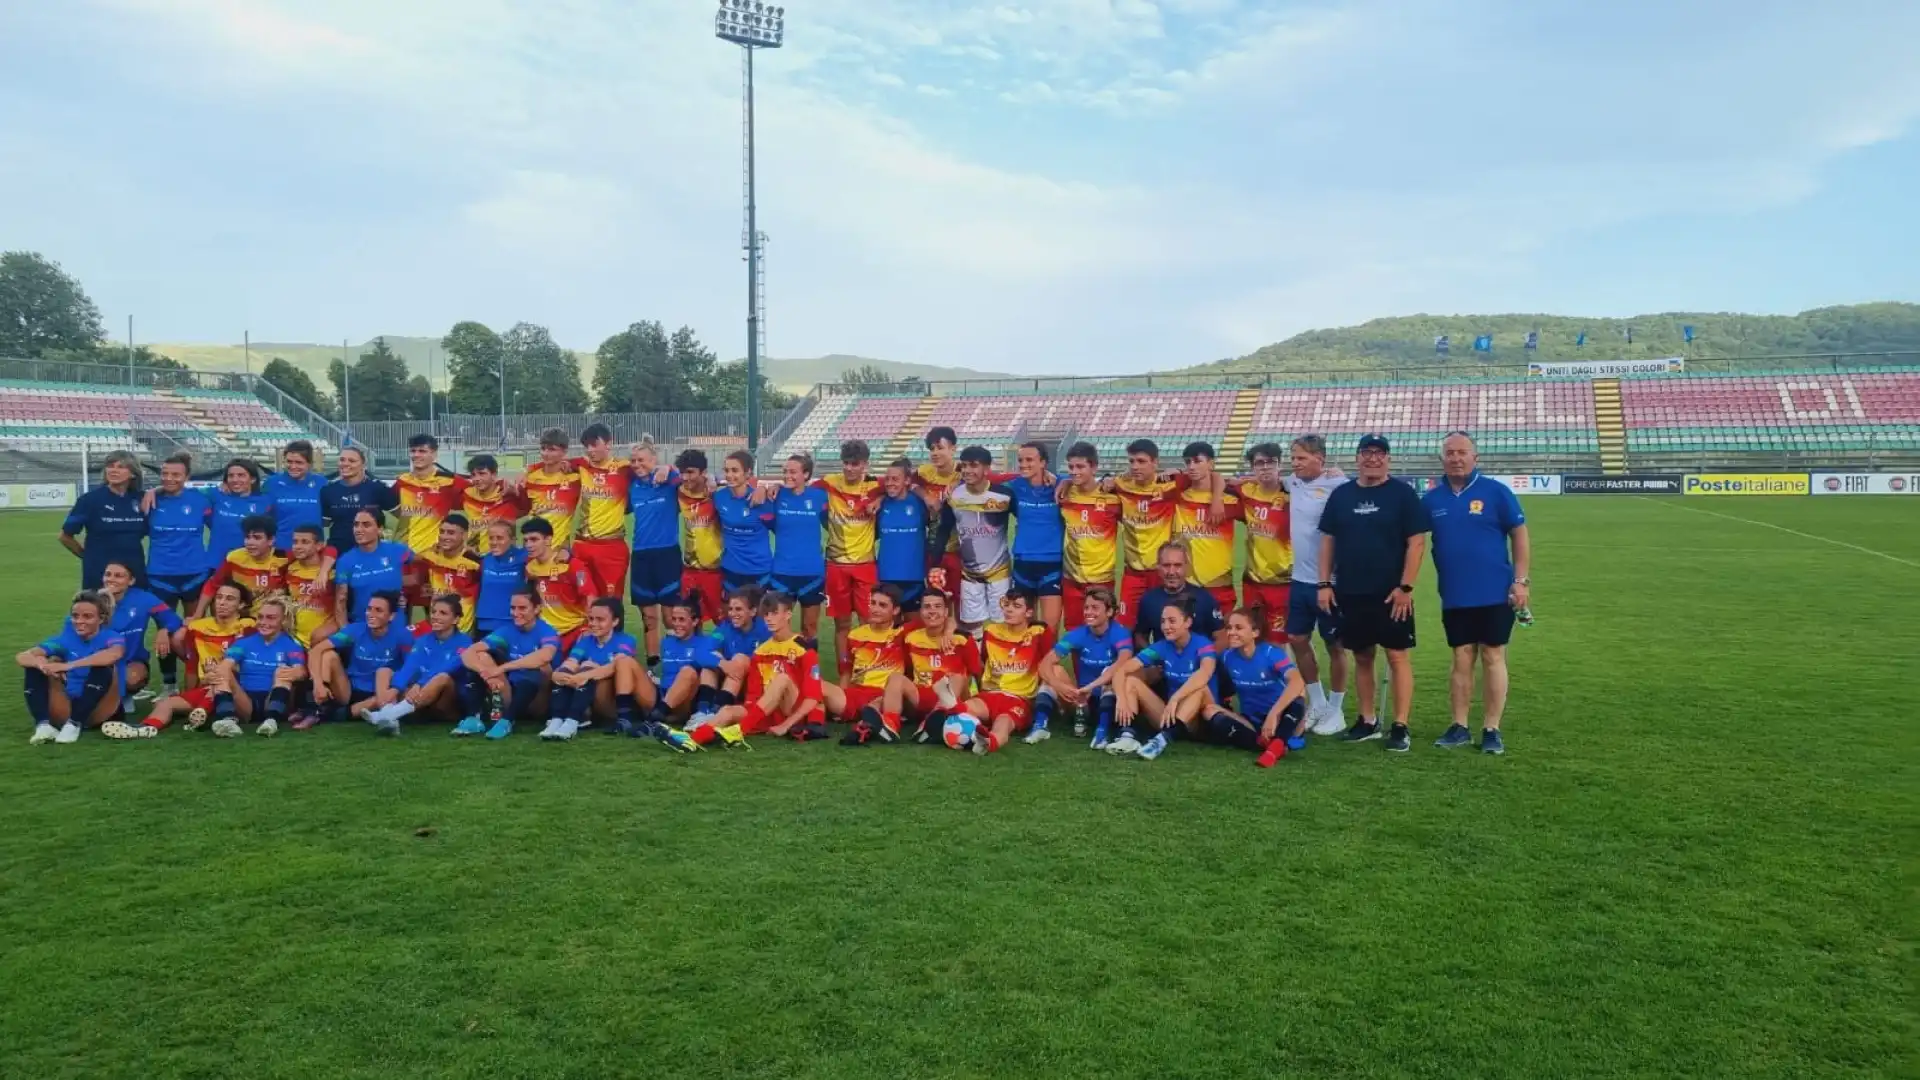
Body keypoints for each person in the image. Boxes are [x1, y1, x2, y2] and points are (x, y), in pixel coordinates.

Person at [1317, 434, 1430, 753]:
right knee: (1362, 655)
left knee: (1397, 656)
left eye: (1379, 453)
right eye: (1366, 452)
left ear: (1388, 459)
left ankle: (1400, 725)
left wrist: (1406, 587)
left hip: (1392, 593)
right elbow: (1328, 541)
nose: (1372, 458)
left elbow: (1417, 542)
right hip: (1350, 591)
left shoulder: (1403, 495)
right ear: (1358, 457)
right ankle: (1367, 720)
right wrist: (1324, 584)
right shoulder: (1342, 495)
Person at [1423, 432, 1529, 756]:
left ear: (1475, 457)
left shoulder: (1496, 492)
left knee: (1493, 654)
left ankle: (1491, 728)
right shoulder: (1432, 499)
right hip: (1455, 593)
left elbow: (1519, 534)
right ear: (1442, 459)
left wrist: (1521, 580)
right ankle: (1459, 726)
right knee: (1461, 656)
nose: (1456, 458)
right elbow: (1409, 537)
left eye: (1462, 452)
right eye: (1450, 453)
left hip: (1495, 591)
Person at [1281, 435, 1351, 735]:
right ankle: (1318, 703)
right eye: (1293, 458)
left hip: (1331, 583)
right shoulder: (1293, 483)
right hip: (1300, 579)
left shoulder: (1340, 486)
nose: (1295, 463)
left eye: (1302, 458)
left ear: (1320, 459)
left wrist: (1343, 474)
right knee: (1297, 638)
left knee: (1335, 645)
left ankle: (1337, 710)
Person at [691, 591, 822, 744]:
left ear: (787, 615)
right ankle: (693, 739)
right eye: (766, 614)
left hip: (794, 711)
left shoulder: (804, 648)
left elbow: (813, 697)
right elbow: (753, 697)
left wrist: (786, 725)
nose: (769, 619)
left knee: (782, 678)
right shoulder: (760, 651)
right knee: (727, 711)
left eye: (774, 613)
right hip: (767, 711)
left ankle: (739, 730)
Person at [1108, 595, 1218, 760]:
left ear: (1187, 622)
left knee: (1200, 689)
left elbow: (1205, 673)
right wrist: (1122, 698)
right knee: (1131, 681)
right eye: (1163, 621)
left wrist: (1175, 698)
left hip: (1199, 720)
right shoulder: (1162, 646)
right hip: (1170, 715)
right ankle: (1127, 736)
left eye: (1172, 621)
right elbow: (1122, 670)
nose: (1166, 626)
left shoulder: (1203, 644)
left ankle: (1161, 741)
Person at [135, 581, 253, 734]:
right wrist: (189, 692)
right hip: (205, 687)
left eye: (230, 599)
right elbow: (192, 664)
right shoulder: (198, 627)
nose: (222, 603)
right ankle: (145, 728)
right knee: (164, 704)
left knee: (220, 678)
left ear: (241, 605)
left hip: (237, 691)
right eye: (219, 597)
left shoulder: (249, 627)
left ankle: (203, 710)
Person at [20, 589, 126, 744]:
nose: (79, 621)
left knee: (104, 667)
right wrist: (42, 665)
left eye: (87, 616)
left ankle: (74, 724)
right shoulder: (65, 640)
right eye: (75, 616)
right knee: (33, 666)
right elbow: (23, 656)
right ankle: (43, 726)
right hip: (69, 703)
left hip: (103, 706)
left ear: (101, 619)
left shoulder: (112, 637)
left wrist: (67, 666)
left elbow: (114, 654)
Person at [955, 588, 1054, 754]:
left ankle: (989, 742)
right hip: (989, 695)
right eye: (1006, 604)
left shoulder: (1038, 632)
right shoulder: (991, 631)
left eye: (1016, 606)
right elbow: (984, 662)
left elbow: (1048, 662)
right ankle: (937, 728)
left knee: (1004, 723)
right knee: (961, 710)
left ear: (1029, 612)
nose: (1009, 609)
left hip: (1018, 699)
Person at [144, 451, 211, 697]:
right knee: (166, 631)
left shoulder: (201, 500)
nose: (169, 478)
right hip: (161, 576)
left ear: (187, 476)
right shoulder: (150, 500)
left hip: (195, 574)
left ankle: (202, 677)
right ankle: (169, 685)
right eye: (165, 473)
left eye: (176, 474)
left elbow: (220, 526)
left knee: (195, 630)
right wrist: (151, 491)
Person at [1210, 609, 1310, 769]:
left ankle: (1277, 744)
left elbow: (1298, 680)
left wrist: (1274, 714)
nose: (1231, 632)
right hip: (1252, 721)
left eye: (1238, 628)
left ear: (1255, 632)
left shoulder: (1271, 653)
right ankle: (1269, 744)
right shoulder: (1227, 657)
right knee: (1211, 712)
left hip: (1281, 718)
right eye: (1229, 628)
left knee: (1299, 693)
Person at [816, 440, 881, 680]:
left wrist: (880, 499)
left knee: (868, 622)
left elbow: (905, 482)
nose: (849, 469)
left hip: (865, 566)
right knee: (842, 625)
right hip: (836, 566)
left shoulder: (876, 486)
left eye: (855, 464)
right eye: (846, 463)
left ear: (865, 464)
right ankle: (845, 674)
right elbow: (797, 484)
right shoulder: (829, 483)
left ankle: (865, 674)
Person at [459, 587, 561, 740]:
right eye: (513, 608)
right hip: (511, 692)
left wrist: (501, 668)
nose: (515, 613)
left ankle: (508, 720)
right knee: (481, 656)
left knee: (539, 666)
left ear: (537, 609)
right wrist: (485, 672)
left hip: (539, 699)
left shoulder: (546, 631)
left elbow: (545, 656)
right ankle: (473, 718)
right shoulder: (507, 630)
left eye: (522, 608)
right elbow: (468, 653)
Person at [544, 597, 649, 741]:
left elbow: (614, 667)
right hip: (588, 697)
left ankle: (573, 720)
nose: (593, 624)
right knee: (568, 671)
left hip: (611, 701)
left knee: (588, 666)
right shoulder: (586, 640)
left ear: (615, 622)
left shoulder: (626, 640)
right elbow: (571, 661)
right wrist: (559, 674)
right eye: (591, 619)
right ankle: (557, 720)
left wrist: (584, 675)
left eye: (600, 619)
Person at [1040, 584, 1132, 748]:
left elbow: (1122, 663)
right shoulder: (1078, 634)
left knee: (1113, 676)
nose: (1089, 612)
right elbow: (1044, 664)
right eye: (1087, 607)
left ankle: (1101, 733)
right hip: (1082, 699)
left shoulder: (1120, 633)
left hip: (1110, 698)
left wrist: (1091, 686)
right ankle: (1039, 726)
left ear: (1109, 612)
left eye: (1095, 608)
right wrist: (1059, 685)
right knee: (1055, 670)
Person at [938, 445, 1015, 639]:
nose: (967, 470)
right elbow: (943, 530)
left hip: (1000, 572)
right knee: (972, 626)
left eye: (973, 465)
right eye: (963, 465)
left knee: (1003, 623)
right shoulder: (953, 496)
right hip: (970, 573)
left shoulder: (1004, 495)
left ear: (986, 469)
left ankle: (1000, 664)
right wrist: (935, 563)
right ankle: (978, 668)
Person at [368, 594, 473, 732]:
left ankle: (387, 715)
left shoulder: (465, 642)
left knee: (442, 677)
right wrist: (395, 688)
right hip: (422, 698)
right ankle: (388, 716)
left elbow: (447, 668)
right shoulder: (423, 640)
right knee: (383, 671)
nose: (435, 616)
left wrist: (420, 683)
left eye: (443, 613)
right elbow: (410, 665)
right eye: (433, 612)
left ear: (456, 619)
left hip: (447, 704)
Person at [308, 591, 411, 729]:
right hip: (351, 690)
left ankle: (337, 713)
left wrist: (396, 690)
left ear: (391, 616)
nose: (371, 614)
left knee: (385, 672)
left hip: (382, 692)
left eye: (378, 610)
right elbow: (316, 650)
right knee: (328, 655)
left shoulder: (402, 635)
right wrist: (318, 684)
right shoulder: (356, 630)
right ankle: (318, 705)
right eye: (369, 609)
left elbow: (410, 667)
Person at [209, 595, 307, 738]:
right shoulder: (243, 643)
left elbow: (301, 671)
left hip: (274, 696)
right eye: (260, 617)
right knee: (223, 672)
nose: (263, 622)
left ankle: (272, 720)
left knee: (283, 671)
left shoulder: (291, 645)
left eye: (270, 618)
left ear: (283, 620)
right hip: (246, 701)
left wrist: (295, 672)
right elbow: (226, 664)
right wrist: (215, 673)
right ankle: (228, 721)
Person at [1112, 438, 1187, 624]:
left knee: (1166, 625)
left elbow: (1210, 477)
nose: (1135, 466)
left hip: (1161, 572)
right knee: (1125, 626)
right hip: (1132, 573)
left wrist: (1179, 472)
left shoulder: (1170, 485)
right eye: (1131, 461)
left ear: (1155, 462)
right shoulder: (1121, 485)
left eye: (1141, 461)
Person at [891, 591, 980, 744]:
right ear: (921, 612)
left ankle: (930, 723)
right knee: (895, 678)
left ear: (946, 612)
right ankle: (888, 726)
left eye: (937, 606)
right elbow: (908, 670)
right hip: (922, 695)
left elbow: (978, 673)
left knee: (957, 677)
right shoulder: (910, 636)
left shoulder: (962, 639)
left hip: (954, 698)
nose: (932, 611)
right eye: (927, 607)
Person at [626, 439, 684, 665]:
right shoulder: (632, 486)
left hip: (667, 554)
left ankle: (678, 658)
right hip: (641, 556)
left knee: (671, 616)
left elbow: (688, 476)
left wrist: (669, 468)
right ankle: (653, 665)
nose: (637, 464)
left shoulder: (668, 481)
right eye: (633, 460)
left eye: (642, 460)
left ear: (654, 460)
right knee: (649, 617)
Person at [94, 559, 182, 702]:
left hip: (131, 661)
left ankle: (122, 696)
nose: (111, 579)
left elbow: (173, 619)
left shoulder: (144, 599)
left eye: (119, 576)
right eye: (108, 574)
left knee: (132, 679)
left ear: (131, 581)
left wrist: (164, 630)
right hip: (98, 661)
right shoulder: (93, 600)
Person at [830, 585, 908, 744]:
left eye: (882, 605)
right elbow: (846, 671)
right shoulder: (855, 635)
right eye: (872, 603)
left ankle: (863, 728)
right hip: (856, 694)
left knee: (876, 704)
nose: (875, 609)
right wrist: (842, 695)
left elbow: (943, 621)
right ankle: (811, 725)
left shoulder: (903, 635)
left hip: (883, 696)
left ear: (896, 610)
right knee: (817, 688)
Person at [1057, 441, 1123, 632]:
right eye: (1071, 467)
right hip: (1072, 578)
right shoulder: (1065, 495)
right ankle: (1080, 664)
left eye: (1080, 466)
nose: (1074, 471)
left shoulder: (1112, 497)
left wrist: (1111, 479)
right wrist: (1065, 481)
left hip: (1101, 579)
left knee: (1102, 629)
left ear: (1094, 467)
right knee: (1074, 630)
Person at [1002, 441, 1066, 630]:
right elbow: (988, 479)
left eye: (1029, 459)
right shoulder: (1014, 487)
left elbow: (1083, 480)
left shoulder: (1059, 486)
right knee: (1023, 625)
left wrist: (1063, 480)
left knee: (1049, 627)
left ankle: (1047, 660)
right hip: (1023, 563)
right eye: (1020, 460)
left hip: (1051, 564)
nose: (1023, 464)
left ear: (1043, 462)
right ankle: (1028, 661)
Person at [61, 449, 147, 589]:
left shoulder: (142, 499)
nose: (113, 470)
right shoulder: (89, 500)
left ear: (133, 473)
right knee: (100, 610)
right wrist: (87, 556)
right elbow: (65, 536)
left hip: (134, 572)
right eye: (110, 466)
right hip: (99, 574)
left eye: (120, 467)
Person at [769, 453, 831, 645]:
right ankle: (777, 670)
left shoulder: (819, 497)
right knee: (777, 626)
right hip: (781, 573)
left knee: (809, 628)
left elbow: (832, 525)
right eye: (785, 471)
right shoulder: (776, 496)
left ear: (806, 474)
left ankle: (809, 672)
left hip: (811, 574)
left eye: (793, 472)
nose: (787, 475)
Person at [1171, 441, 1238, 613]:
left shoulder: (1230, 501)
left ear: (1211, 463)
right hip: (1186, 585)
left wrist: (1216, 498)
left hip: (1219, 582)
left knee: (1224, 637)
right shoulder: (1177, 496)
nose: (1191, 466)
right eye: (1187, 462)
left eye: (1197, 461)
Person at [572, 423, 636, 599]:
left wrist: (667, 468)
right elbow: (553, 463)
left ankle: (616, 627)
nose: (590, 450)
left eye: (594, 444)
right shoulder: (581, 465)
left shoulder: (624, 468)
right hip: (582, 545)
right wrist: (527, 471)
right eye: (587, 446)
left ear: (608, 444)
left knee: (611, 603)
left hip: (611, 547)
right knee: (582, 600)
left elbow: (651, 470)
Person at [644, 595, 723, 735]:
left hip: (685, 701)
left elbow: (713, 661)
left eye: (681, 619)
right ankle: (626, 717)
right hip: (663, 694)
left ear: (695, 621)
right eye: (674, 619)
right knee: (631, 666)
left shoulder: (707, 642)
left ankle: (655, 718)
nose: (676, 624)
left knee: (688, 671)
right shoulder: (666, 643)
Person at [1131, 541, 1225, 649]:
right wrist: (1153, 658)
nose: (1171, 572)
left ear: (1187, 567)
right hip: (1164, 663)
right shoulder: (1149, 600)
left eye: (1177, 565)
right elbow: (1140, 636)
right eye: (1166, 565)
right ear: (1158, 567)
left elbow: (1222, 637)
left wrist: (1206, 660)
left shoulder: (1204, 598)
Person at [521, 517, 592, 652]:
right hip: (546, 634)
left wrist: (590, 628)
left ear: (548, 540)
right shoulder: (530, 568)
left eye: (534, 539)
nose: (528, 545)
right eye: (525, 541)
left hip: (574, 631)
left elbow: (590, 596)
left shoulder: (572, 565)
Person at [913, 426, 966, 602]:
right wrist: (925, 494)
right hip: (934, 550)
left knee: (962, 607)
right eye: (932, 449)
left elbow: (990, 476)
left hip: (961, 552)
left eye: (940, 448)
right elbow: (905, 480)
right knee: (936, 602)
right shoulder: (925, 472)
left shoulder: (964, 472)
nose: (935, 453)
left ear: (953, 448)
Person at [196, 514, 286, 618]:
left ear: (271, 540)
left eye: (257, 538)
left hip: (272, 621)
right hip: (240, 620)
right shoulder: (234, 558)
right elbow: (212, 585)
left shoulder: (284, 559)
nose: (250, 542)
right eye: (247, 537)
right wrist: (198, 614)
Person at [333, 508, 413, 624]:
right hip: (363, 627)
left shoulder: (398, 550)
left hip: (396, 627)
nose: (358, 530)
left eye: (366, 525)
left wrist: (407, 592)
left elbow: (423, 562)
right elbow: (341, 601)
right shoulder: (345, 561)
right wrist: (347, 633)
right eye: (356, 525)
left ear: (380, 529)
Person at [713, 449, 775, 597]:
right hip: (731, 568)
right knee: (734, 617)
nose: (729, 475)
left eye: (735, 470)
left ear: (747, 473)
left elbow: (779, 529)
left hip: (758, 570)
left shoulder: (762, 500)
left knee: (759, 618)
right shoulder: (719, 498)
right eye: (727, 470)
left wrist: (764, 488)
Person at [676, 449, 726, 624]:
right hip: (689, 569)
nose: (685, 477)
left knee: (721, 620)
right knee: (689, 620)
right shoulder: (679, 492)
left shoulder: (717, 494)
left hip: (715, 570)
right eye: (682, 472)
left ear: (703, 473)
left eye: (690, 472)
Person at [874, 457, 930, 613]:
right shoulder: (881, 503)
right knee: (889, 629)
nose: (890, 483)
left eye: (895, 479)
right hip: (886, 575)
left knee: (913, 630)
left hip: (914, 576)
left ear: (907, 481)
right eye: (887, 479)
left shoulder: (920, 503)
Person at [320, 446, 397, 554]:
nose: (345, 464)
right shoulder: (328, 491)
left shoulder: (378, 488)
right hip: (339, 555)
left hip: (370, 554)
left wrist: (391, 539)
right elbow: (324, 526)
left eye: (352, 461)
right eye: (342, 460)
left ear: (363, 465)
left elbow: (400, 517)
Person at [204, 459, 273, 576]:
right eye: (231, 476)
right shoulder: (215, 496)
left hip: (250, 566)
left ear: (252, 479)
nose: (235, 480)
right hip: (218, 565)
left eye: (241, 475)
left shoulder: (266, 501)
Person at [417, 514, 481, 633]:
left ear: (464, 535)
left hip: (462, 630)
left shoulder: (474, 563)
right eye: (442, 532)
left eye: (451, 533)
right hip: (436, 628)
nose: (444, 536)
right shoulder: (430, 557)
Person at [710, 586, 771, 708]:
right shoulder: (725, 627)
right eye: (731, 609)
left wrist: (741, 664)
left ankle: (718, 708)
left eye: (738, 609)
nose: (733, 614)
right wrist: (722, 663)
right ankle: (703, 709)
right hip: (729, 680)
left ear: (753, 611)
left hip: (756, 682)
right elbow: (704, 650)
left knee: (739, 659)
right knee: (712, 658)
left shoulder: (766, 630)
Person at [522, 428, 582, 550]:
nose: (546, 453)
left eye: (552, 449)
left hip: (560, 550)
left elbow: (591, 464)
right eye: (543, 449)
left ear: (564, 451)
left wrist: (571, 463)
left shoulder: (575, 479)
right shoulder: (530, 478)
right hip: (533, 550)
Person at [283, 524, 339, 650]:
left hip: (323, 637)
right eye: (295, 542)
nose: (298, 546)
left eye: (305, 542)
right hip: (294, 639)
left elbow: (341, 606)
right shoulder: (290, 567)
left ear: (319, 545)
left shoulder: (333, 573)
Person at [263, 440, 325, 551]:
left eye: (299, 462)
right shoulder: (271, 483)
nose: (293, 466)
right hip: (280, 549)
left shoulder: (322, 483)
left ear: (309, 463)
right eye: (289, 462)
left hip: (312, 552)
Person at [460, 453, 529, 550]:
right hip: (475, 555)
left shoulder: (509, 494)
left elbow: (526, 508)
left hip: (503, 555)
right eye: (473, 475)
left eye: (482, 473)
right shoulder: (467, 495)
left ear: (494, 474)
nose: (477, 479)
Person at [474, 518, 528, 637]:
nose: (494, 542)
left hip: (512, 623)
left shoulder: (523, 556)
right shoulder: (485, 559)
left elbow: (549, 553)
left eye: (499, 538)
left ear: (512, 540)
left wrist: (566, 551)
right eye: (491, 538)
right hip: (484, 624)